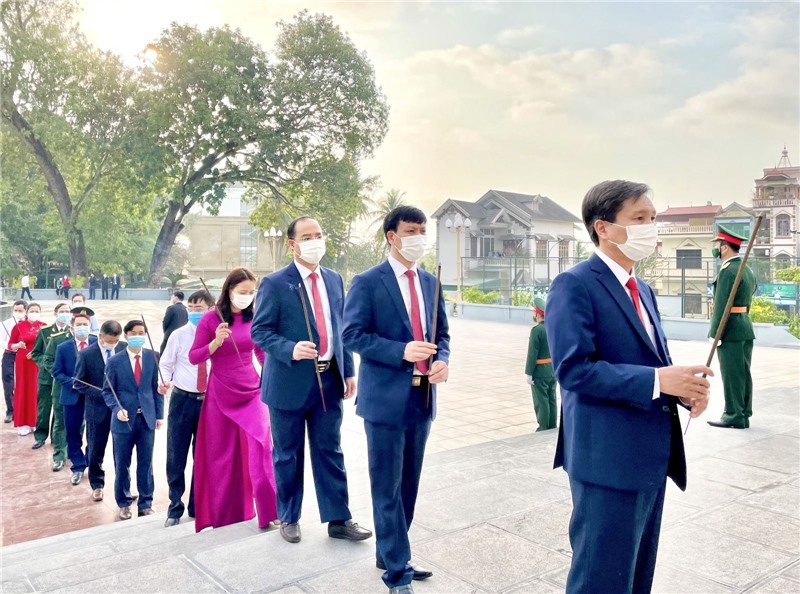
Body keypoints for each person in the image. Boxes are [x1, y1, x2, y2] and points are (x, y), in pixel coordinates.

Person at [546, 180, 713, 594]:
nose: (650, 227)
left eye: (652, 218)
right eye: (639, 218)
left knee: (636, 577)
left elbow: (652, 363)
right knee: (600, 579)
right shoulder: (575, 284)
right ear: (603, 227)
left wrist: (680, 387)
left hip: (649, 456)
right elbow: (573, 370)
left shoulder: (645, 290)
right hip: (606, 458)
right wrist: (657, 380)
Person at [342, 206, 450, 594]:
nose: (418, 237)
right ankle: (397, 571)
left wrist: (443, 361)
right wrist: (400, 351)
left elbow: (442, 335)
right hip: (384, 401)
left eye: (422, 231)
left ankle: (389, 553)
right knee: (386, 485)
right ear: (392, 236)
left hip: (422, 398)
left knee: (408, 486)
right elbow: (352, 335)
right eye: (411, 230)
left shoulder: (430, 282)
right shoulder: (368, 282)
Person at [252, 217, 371, 545]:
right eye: (307, 237)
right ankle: (289, 517)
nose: (315, 241)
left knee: (330, 449)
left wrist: (348, 370)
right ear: (292, 244)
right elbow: (260, 330)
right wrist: (290, 349)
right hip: (287, 383)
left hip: (328, 381)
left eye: (318, 235)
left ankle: (339, 519)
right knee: (287, 454)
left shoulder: (333, 279)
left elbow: (340, 327)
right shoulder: (275, 283)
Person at [189, 267, 278, 531]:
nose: (247, 296)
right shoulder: (210, 319)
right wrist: (215, 343)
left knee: (263, 446)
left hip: (252, 390)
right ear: (229, 291)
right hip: (221, 393)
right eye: (242, 291)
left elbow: (261, 353)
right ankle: (228, 515)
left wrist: (272, 375)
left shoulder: (255, 316)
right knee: (223, 455)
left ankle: (272, 510)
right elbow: (194, 356)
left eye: (251, 292)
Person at [103, 320, 167, 520]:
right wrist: (117, 409)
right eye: (134, 333)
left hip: (146, 418)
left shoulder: (153, 356)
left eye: (142, 333)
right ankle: (123, 502)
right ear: (126, 336)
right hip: (124, 420)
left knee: (146, 462)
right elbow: (108, 391)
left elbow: (156, 388)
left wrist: (159, 414)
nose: (138, 336)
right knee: (122, 463)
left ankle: (146, 502)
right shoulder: (115, 361)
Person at [159, 290, 213, 527]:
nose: (193, 312)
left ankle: (197, 504)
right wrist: (164, 381)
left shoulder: (219, 335)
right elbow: (165, 364)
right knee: (176, 455)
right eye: (190, 308)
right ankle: (175, 506)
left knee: (203, 456)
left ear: (211, 309)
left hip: (209, 402)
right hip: (182, 400)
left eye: (198, 308)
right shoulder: (178, 335)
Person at [707, 226, 756, 429]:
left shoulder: (727, 271)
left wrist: (714, 334)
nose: (715, 249)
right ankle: (744, 413)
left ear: (725, 247)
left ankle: (733, 415)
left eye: (717, 245)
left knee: (732, 375)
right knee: (743, 373)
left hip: (729, 331)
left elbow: (721, 306)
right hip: (744, 326)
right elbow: (748, 300)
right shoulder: (746, 269)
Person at [74, 320, 126, 502]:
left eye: (116, 341)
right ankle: (97, 485)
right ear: (101, 335)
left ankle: (124, 487)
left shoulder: (124, 349)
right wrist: (103, 394)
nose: (113, 344)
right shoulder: (86, 354)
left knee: (122, 451)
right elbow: (78, 383)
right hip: (97, 410)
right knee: (96, 449)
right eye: (110, 341)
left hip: (121, 410)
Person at [51, 309, 97, 485]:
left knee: (94, 432)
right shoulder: (63, 347)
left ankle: (92, 462)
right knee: (72, 432)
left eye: (85, 324)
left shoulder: (96, 344)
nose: (82, 327)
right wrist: (72, 382)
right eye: (79, 325)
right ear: (72, 327)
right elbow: (57, 371)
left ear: (90, 326)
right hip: (72, 396)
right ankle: (77, 466)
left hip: (93, 396)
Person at [30, 303, 71, 470]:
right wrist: (49, 367)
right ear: (55, 313)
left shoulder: (71, 333)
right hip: (47, 378)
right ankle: (40, 436)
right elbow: (36, 353)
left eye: (67, 311)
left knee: (60, 412)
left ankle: (57, 440)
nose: (64, 314)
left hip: (63, 381)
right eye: (62, 311)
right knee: (44, 408)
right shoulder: (45, 331)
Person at [7, 302, 45, 435]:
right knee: (22, 389)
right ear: (27, 312)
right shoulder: (18, 326)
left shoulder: (44, 327)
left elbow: (49, 346)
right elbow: (10, 344)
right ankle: (23, 423)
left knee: (37, 390)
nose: (34, 313)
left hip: (38, 362)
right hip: (22, 362)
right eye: (32, 311)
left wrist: (37, 353)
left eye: (37, 311)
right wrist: (17, 345)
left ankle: (36, 422)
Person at [525, 297, 557, 431]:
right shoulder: (552, 327)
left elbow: (532, 354)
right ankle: (552, 426)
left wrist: (529, 373)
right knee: (551, 398)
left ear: (538, 314)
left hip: (540, 371)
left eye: (534, 312)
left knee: (541, 400)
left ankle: (543, 427)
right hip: (552, 369)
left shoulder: (537, 330)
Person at [2, 300, 27, 423]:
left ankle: (25, 410)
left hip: (26, 356)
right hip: (10, 354)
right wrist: (13, 346)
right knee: (8, 383)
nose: (18, 312)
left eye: (20, 310)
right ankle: (10, 410)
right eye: (16, 310)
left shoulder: (31, 324)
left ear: (25, 310)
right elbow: (1, 340)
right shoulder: (6, 323)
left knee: (26, 383)